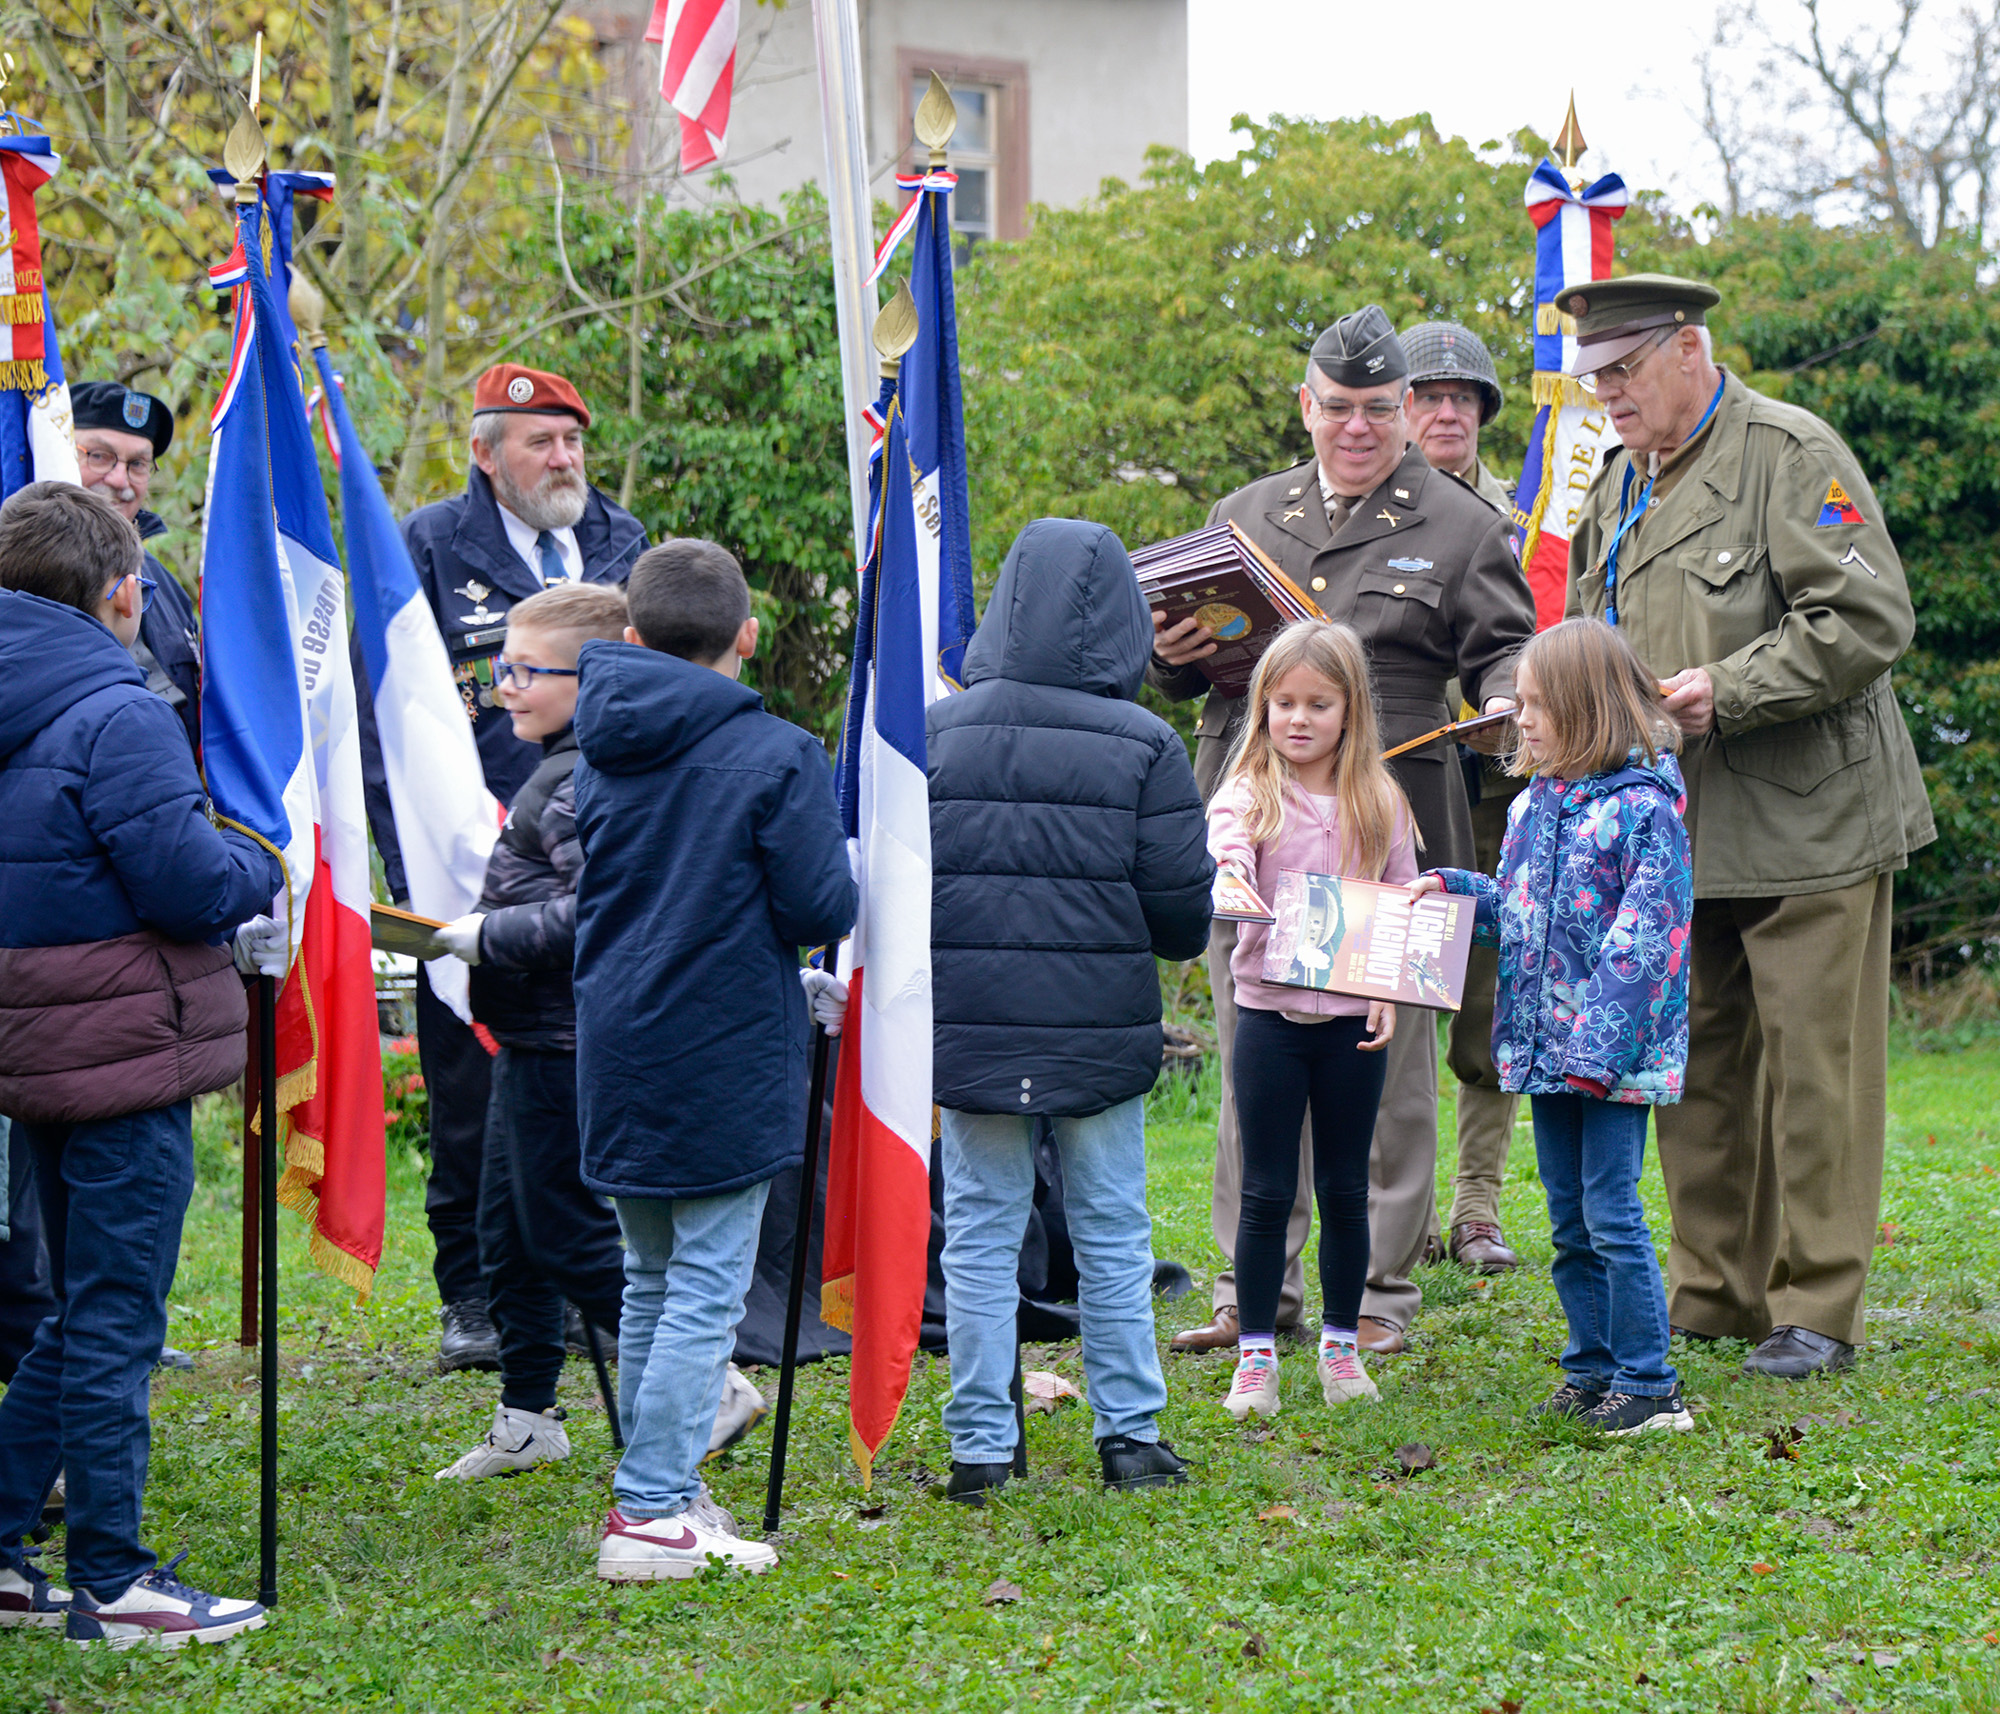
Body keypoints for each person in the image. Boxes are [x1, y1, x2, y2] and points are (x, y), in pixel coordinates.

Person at [1559, 274, 1934, 1379]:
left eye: (1624, 371)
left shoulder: (1788, 451)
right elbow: (1591, 628)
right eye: (1595, 378)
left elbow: (1867, 616)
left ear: (1689, 350)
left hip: (1812, 826)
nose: (1608, 395)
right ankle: (1712, 1290)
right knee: (1697, 1072)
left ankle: (1815, 1304)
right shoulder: (1618, 480)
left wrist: (1725, 688)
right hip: (1679, 833)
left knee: (1815, 1073)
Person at [1151, 304, 1534, 1357]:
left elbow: (1506, 648)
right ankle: (1250, 1292)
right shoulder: (1244, 514)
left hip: (1391, 820)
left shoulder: (1457, 525)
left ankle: (1373, 1298)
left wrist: (1507, 698)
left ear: (1404, 411)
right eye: (1336, 408)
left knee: (1388, 1063)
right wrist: (1174, 649)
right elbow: (1187, 663)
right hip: (1259, 821)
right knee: (1253, 1056)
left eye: (1376, 408)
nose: (1355, 427)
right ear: (1305, 407)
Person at [821, 518, 1211, 1504]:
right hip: (1096, 1027)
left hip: (973, 1026)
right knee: (1114, 1229)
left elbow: (895, 892)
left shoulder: (936, 731)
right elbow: (1178, 919)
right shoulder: (1143, 742)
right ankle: (1130, 1435)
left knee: (982, 1233)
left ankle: (981, 1446)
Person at [0, 482, 285, 1646]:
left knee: (76, 1314)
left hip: (31, 1048)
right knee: (116, 1317)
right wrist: (260, 866)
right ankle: (112, 1581)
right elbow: (187, 884)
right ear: (122, 595)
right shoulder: (117, 714)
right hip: (121, 1057)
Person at [428, 583, 765, 1481]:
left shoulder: (584, 777)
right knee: (505, 1232)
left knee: (563, 1233)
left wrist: (485, 935)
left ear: (599, 672)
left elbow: (602, 912)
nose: (505, 687)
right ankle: (529, 1413)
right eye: (501, 667)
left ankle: (709, 1380)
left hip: (568, 1037)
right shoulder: (556, 763)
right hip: (525, 1032)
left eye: (528, 671)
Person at [570, 539, 854, 1579]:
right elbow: (821, 905)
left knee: (651, 1276)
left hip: (615, 1040)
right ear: (746, 634)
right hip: (724, 1044)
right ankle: (649, 1508)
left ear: (632, 637)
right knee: (699, 1286)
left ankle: (667, 1489)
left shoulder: (597, 745)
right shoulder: (776, 753)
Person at [356, 363, 648, 1373]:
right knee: (472, 1088)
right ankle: (472, 1294)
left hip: (599, 854)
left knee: (583, 1085)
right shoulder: (432, 545)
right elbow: (383, 714)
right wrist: (404, 856)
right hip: (468, 868)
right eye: (538, 440)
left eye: (571, 438)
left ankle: (573, 1291)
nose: (562, 458)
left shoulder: (620, 541)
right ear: (484, 453)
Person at [1412, 618, 1695, 1433]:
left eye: (1536, 706)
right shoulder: (1539, 803)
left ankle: (1650, 1384)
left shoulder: (1647, 813)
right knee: (1569, 1221)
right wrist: (1456, 889)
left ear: (1588, 708)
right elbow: (1523, 915)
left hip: (1608, 1061)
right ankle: (1590, 1368)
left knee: (1612, 1213)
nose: (1519, 719)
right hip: (1547, 1054)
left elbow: (1646, 945)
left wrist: (1595, 1054)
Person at [1206, 621, 1411, 1420]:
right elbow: (1227, 848)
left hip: (1351, 1027)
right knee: (1265, 1190)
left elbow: (1399, 902)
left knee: (1345, 1187)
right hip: (1269, 1020)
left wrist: (1387, 995)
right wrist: (1232, 873)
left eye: (1316, 704)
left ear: (1349, 710)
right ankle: (1256, 1358)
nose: (1297, 719)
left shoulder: (1381, 799)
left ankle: (1339, 1350)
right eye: (1282, 702)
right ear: (1261, 709)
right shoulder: (1249, 793)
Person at [1400, 321, 1530, 1275]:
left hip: (1499, 791)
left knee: (1490, 1001)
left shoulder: (1529, 524)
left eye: (1465, 398)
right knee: (1393, 992)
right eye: (1429, 395)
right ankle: (1391, 1214)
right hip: (1395, 785)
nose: (1448, 411)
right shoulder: (1358, 507)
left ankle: (1476, 1206)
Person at [69, 381, 200, 754]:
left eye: (138, 464)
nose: (120, 481)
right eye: (98, 456)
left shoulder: (163, 583)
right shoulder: (20, 577)